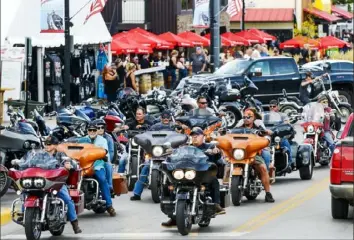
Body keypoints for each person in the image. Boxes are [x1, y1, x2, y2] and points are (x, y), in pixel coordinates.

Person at [161, 127, 226, 227]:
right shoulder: (185, 148)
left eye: (197, 135)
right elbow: (177, 156)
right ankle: (174, 217)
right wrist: (171, 152)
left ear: (203, 136)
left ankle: (216, 204)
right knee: (172, 184)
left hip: (202, 174)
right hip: (188, 174)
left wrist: (216, 151)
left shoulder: (209, 146)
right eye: (192, 135)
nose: (194, 137)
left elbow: (217, 157)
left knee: (214, 181)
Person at [40, 136, 82, 233]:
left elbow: (73, 164)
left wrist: (69, 165)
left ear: (55, 146)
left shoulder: (60, 155)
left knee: (67, 200)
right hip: (42, 182)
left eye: (49, 144)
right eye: (45, 144)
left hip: (57, 183)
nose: (46, 146)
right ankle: (24, 214)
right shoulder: (40, 155)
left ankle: (74, 223)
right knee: (26, 192)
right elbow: (30, 163)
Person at [130, 111, 175, 201]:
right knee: (146, 168)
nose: (166, 119)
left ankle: (175, 192)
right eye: (164, 117)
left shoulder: (174, 127)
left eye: (167, 117)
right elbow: (147, 134)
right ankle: (137, 193)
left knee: (175, 170)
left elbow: (180, 136)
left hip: (169, 153)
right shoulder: (155, 127)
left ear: (170, 118)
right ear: (161, 118)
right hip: (156, 152)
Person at [235, 108, 275, 203]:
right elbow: (230, 134)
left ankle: (268, 193)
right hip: (240, 153)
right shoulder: (239, 126)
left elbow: (266, 134)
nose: (246, 118)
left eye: (249, 116)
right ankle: (223, 191)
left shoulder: (258, 126)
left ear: (254, 118)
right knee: (227, 166)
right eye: (245, 116)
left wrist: (266, 133)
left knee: (263, 168)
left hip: (254, 153)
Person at [78, 123, 116, 216]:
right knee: (72, 180)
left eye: (94, 130)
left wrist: (102, 155)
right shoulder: (82, 140)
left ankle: (109, 205)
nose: (92, 132)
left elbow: (105, 152)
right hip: (84, 166)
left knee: (102, 180)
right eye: (90, 130)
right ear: (87, 131)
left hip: (97, 164)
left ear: (96, 131)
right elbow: (77, 150)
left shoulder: (102, 140)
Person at [115, 107, 153, 173]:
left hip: (145, 148)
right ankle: (119, 178)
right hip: (132, 146)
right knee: (122, 160)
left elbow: (153, 128)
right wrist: (119, 128)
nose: (137, 115)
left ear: (144, 115)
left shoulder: (149, 123)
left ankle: (147, 177)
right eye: (136, 114)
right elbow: (126, 126)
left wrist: (144, 127)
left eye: (139, 114)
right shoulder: (133, 123)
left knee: (149, 161)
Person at [268, 100, 293, 168]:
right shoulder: (266, 116)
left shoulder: (282, 115)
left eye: (274, 106)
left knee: (284, 142)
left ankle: (290, 163)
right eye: (270, 106)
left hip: (279, 136)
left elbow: (287, 122)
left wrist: (283, 125)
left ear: (278, 107)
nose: (272, 108)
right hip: (268, 136)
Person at [93, 119, 115, 196]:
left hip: (104, 159)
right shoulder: (90, 137)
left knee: (108, 166)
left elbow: (111, 152)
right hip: (91, 160)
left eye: (102, 127)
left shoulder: (108, 138)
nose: (100, 129)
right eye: (98, 128)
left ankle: (110, 187)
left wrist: (107, 160)